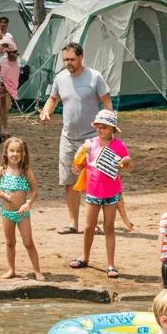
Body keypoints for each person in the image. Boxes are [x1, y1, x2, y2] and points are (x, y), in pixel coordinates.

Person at [38, 41, 112, 235]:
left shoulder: (95, 77)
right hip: (68, 138)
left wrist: (108, 127)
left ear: (81, 57)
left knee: (93, 181)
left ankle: (92, 222)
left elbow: (106, 101)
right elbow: (53, 99)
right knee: (69, 180)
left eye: (71, 59)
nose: (68, 63)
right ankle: (73, 222)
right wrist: (47, 111)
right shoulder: (60, 78)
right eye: (65, 60)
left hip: (92, 138)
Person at [70, 109, 130, 279]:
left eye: (104, 127)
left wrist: (124, 162)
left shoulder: (119, 146)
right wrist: (79, 157)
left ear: (113, 129)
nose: (100, 129)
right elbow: (76, 168)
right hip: (92, 192)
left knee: (109, 228)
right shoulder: (89, 144)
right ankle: (85, 256)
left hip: (111, 193)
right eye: (98, 126)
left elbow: (128, 162)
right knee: (88, 227)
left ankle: (111, 264)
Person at [0, 137, 44, 281]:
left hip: (22, 213)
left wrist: (28, 203)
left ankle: (37, 270)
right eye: (12, 151)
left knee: (28, 242)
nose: (15, 154)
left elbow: (34, 190)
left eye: (18, 151)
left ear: (24, 153)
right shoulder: (2, 170)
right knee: (9, 242)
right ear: (6, 153)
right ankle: (11, 269)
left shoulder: (26, 171)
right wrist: (2, 194)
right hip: (7, 213)